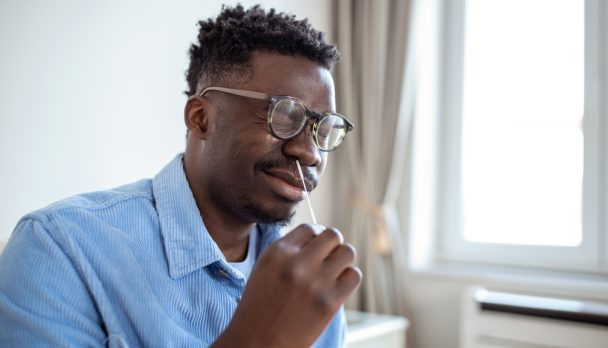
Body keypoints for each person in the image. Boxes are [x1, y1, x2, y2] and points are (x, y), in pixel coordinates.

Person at [0, 4, 361, 348]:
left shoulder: (309, 276)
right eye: (284, 115)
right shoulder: (60, 249)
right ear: (200, 118)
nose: (310, 153)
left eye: (322, 128)